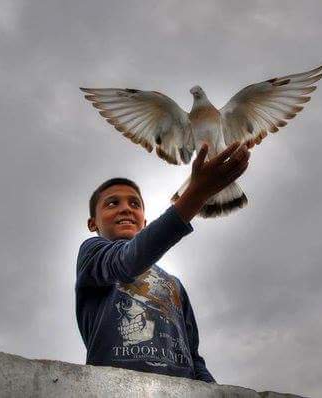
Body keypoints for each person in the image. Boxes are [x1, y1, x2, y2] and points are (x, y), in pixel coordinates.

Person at [75, 142, 250, 382]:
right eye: (112, 203)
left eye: (134, 204)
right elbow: (126, 262)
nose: (125, 209)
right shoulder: (93, 254)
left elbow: (194, 357)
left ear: (145, 222)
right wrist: (196, 195)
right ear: (92, 223)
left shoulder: (173, 284)